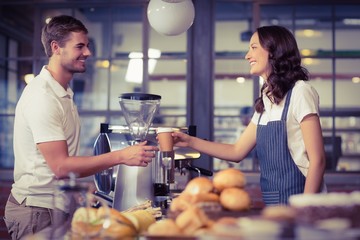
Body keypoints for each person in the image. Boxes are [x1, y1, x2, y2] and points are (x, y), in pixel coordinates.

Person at [4, 15, 158, 239]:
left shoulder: (63, 92)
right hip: (37, 211)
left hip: (54, 206)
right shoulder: (43, 96)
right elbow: (61, 167)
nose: (88, 53)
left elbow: (59, 165)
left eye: (87, 46)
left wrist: (80, 188)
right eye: (80, 46)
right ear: (56, 48)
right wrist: (122, 156)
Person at [172, 25, 326, 206]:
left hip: (302, 199)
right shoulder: (267, 99)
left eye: (253, 48)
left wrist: (304, 209)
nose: (247, 56)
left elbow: (318, 160)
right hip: (273, 202)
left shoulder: (300, 92)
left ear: (274, 51)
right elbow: (237, 151)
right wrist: (189, 142)